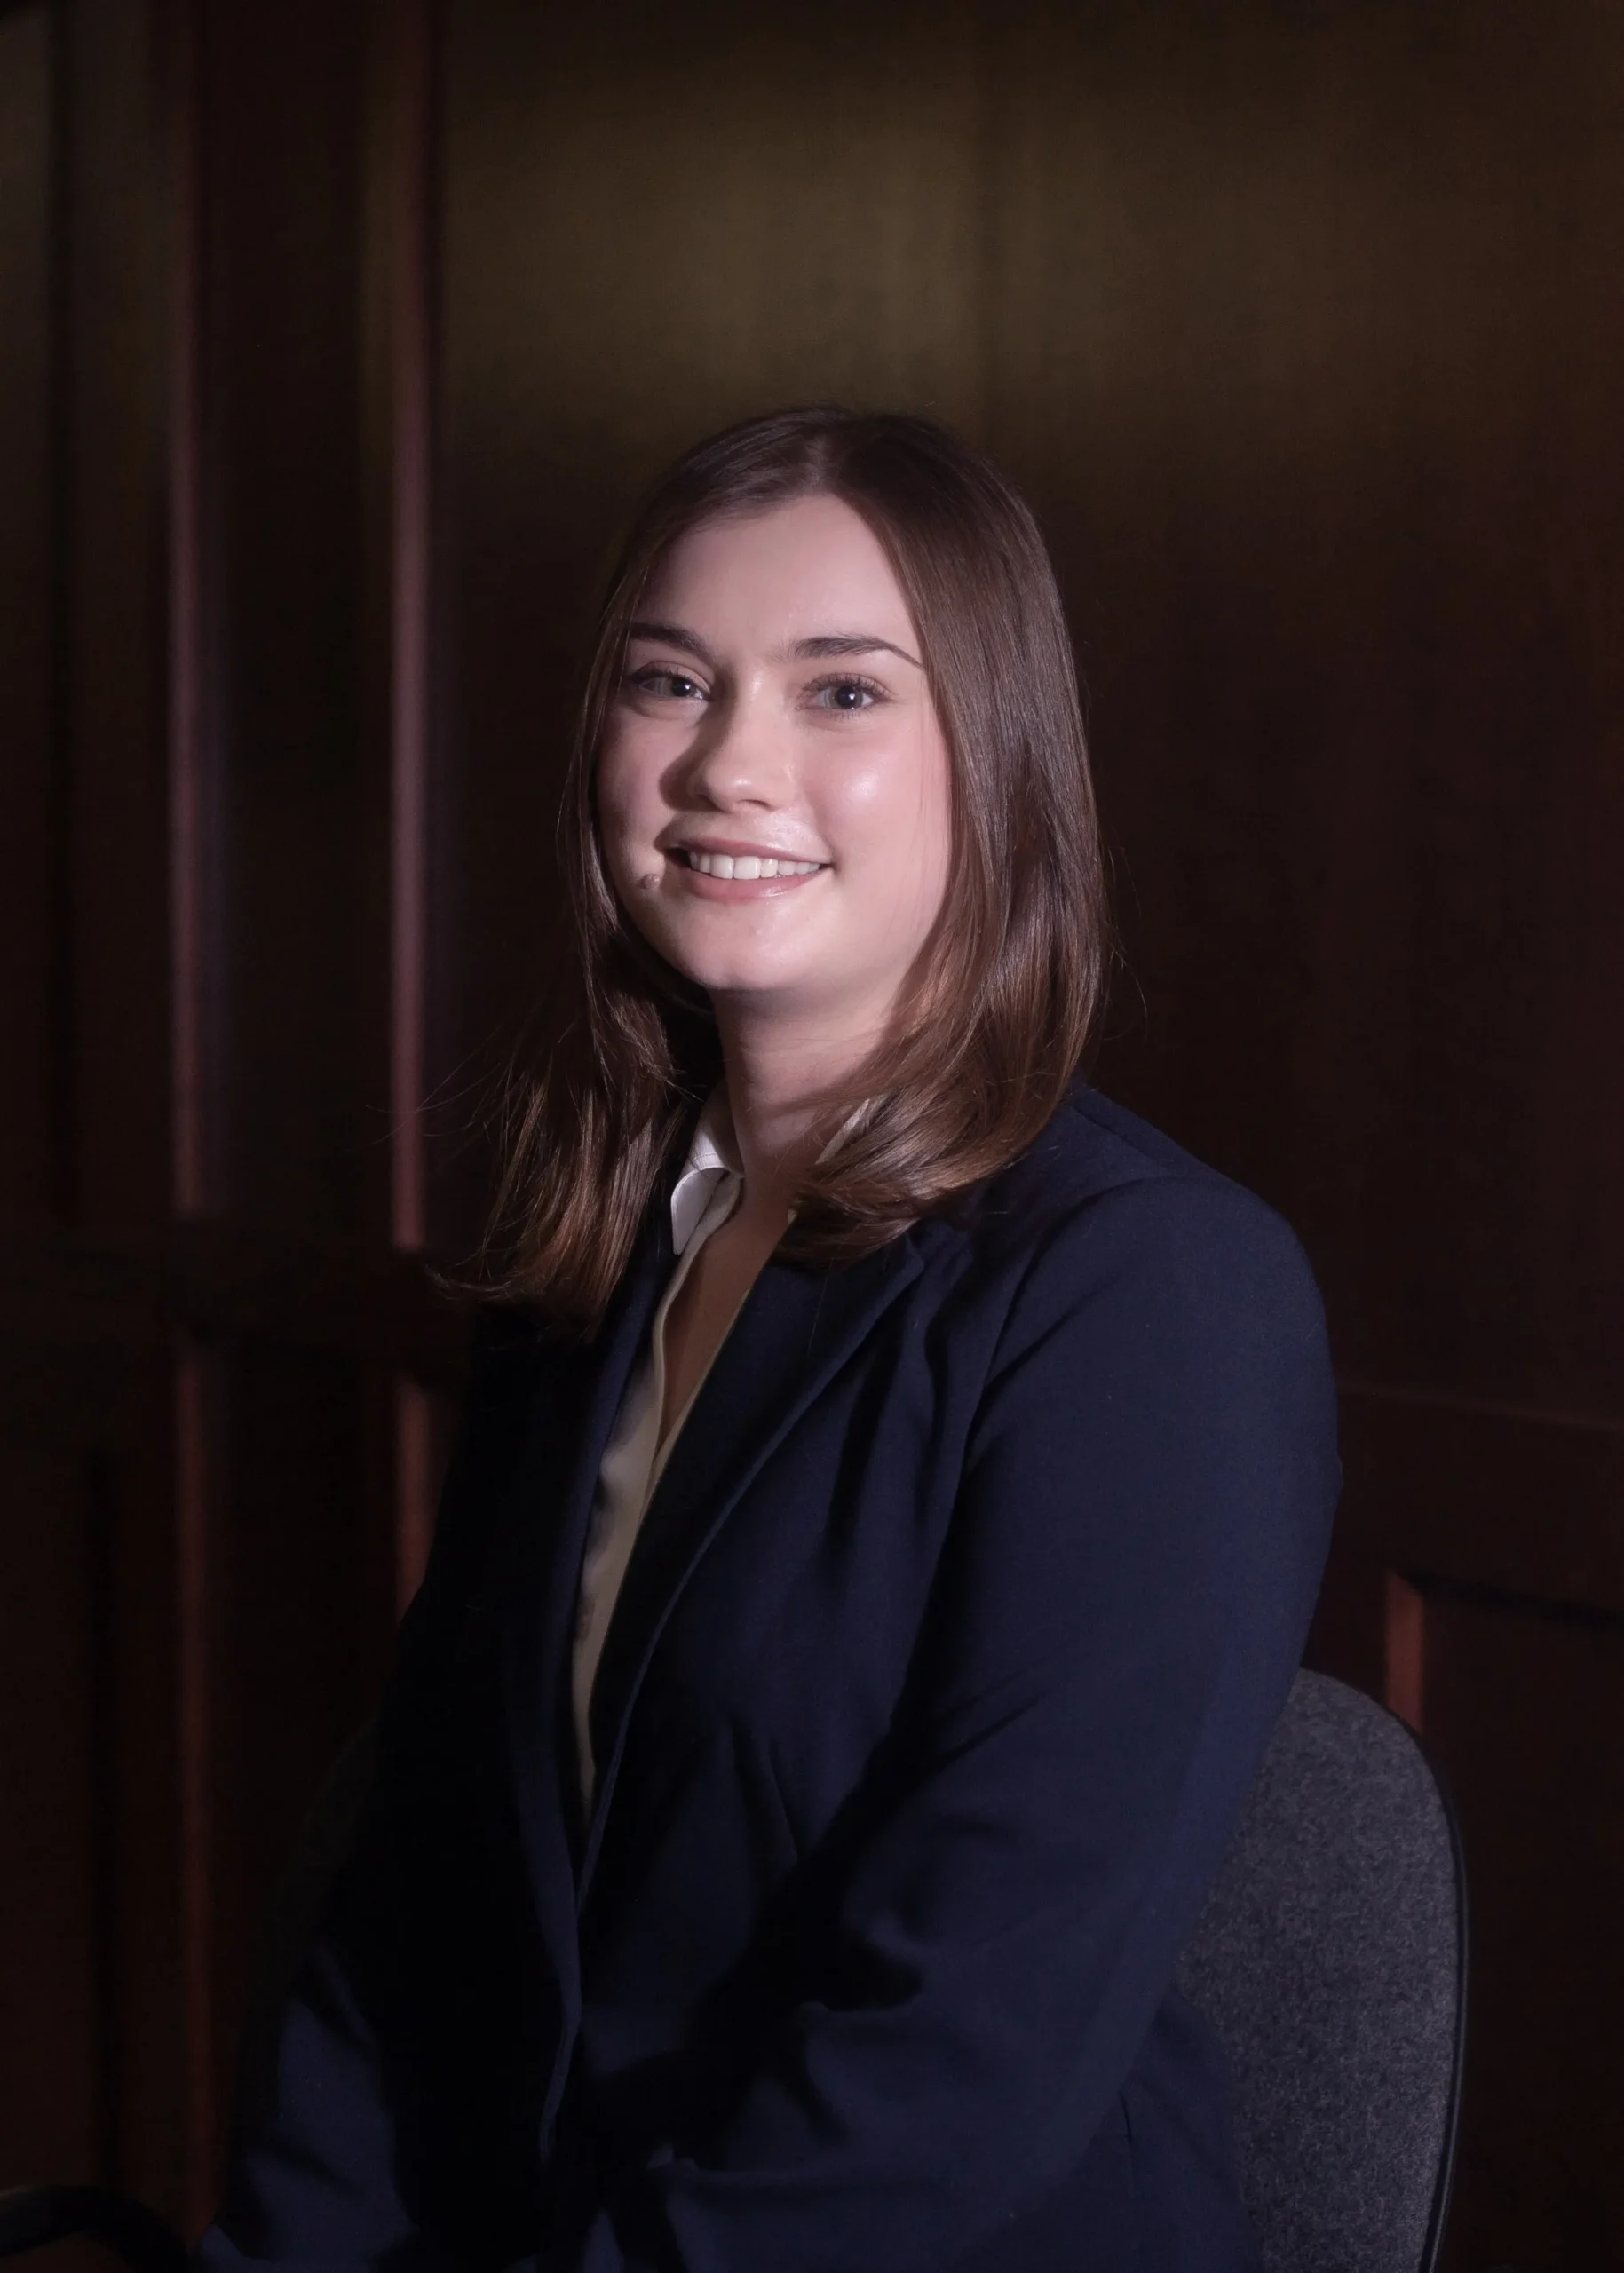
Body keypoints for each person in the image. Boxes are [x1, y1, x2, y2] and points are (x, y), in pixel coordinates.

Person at [197, 407, 1340, 2273]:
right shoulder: (607, 1247)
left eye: (840, 693)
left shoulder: (1149, 1297)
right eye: (671, 680)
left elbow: (950, 2070)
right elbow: (417, 1903)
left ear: (995, 755)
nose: (727, 763)